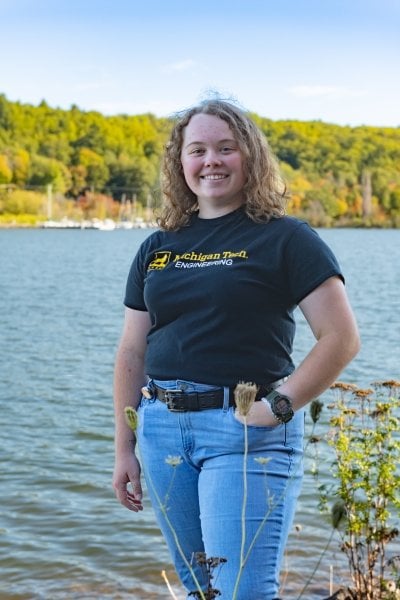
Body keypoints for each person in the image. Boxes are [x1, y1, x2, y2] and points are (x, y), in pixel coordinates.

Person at [112, 99, 360, 600]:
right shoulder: (158, 246)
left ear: (250, 156)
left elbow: (341, 338)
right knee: (200, 589)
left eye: (226, 148)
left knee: (241, 589)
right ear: (180, 163)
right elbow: (131, 353)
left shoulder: (286, 238)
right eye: (197, 149)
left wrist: (279, 407)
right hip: (162, 432)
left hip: (244, 433)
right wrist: (125, 445)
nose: (211, 161)